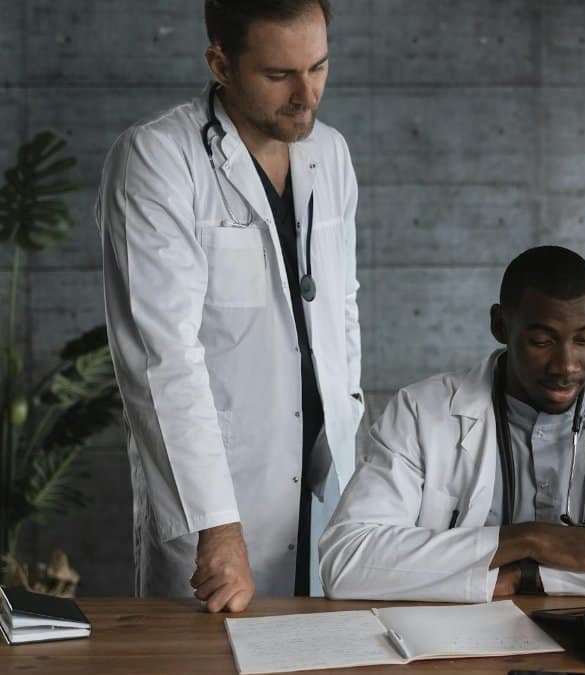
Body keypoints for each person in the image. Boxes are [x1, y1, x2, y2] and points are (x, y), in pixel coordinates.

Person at [96, 0, 363, 611]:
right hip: (222, 498)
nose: (306, 95)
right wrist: (217, 527)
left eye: (318, 67)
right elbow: (161, 358)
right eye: (278, 76)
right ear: (220, 62)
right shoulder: (158, 159)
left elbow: (342, 311)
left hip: (326, 491)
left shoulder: (333, 154)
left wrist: (352, 446)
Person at [318, 247, 585, 602]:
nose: (566, 365)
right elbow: (348, 559)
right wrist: (531, 539)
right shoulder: (421, 412)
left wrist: (531, 575)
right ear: (500, 325)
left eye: (584, 340)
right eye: (542, 341)